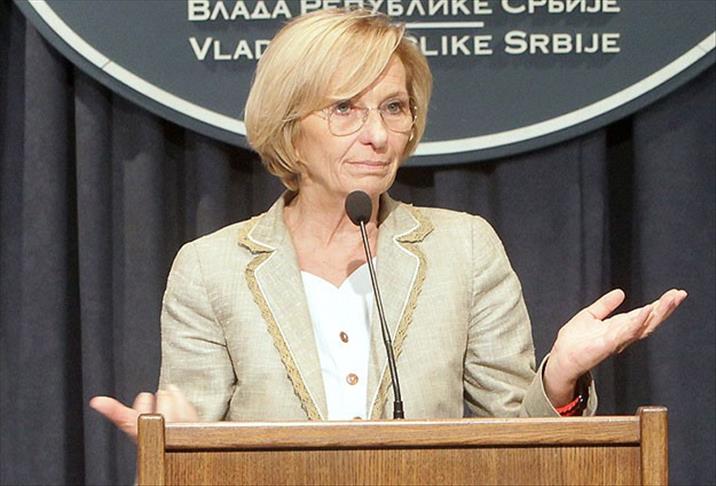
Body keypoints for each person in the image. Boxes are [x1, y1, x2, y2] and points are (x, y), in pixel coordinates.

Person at [90, 8, 687, 440]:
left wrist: (560, 376)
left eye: (394, 108)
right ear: (289, 128)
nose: (377, 135)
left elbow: (514, 440)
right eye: (345, 108)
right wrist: (176, 440)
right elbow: (189, 436)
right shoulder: (212, 268)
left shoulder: (464, 249)